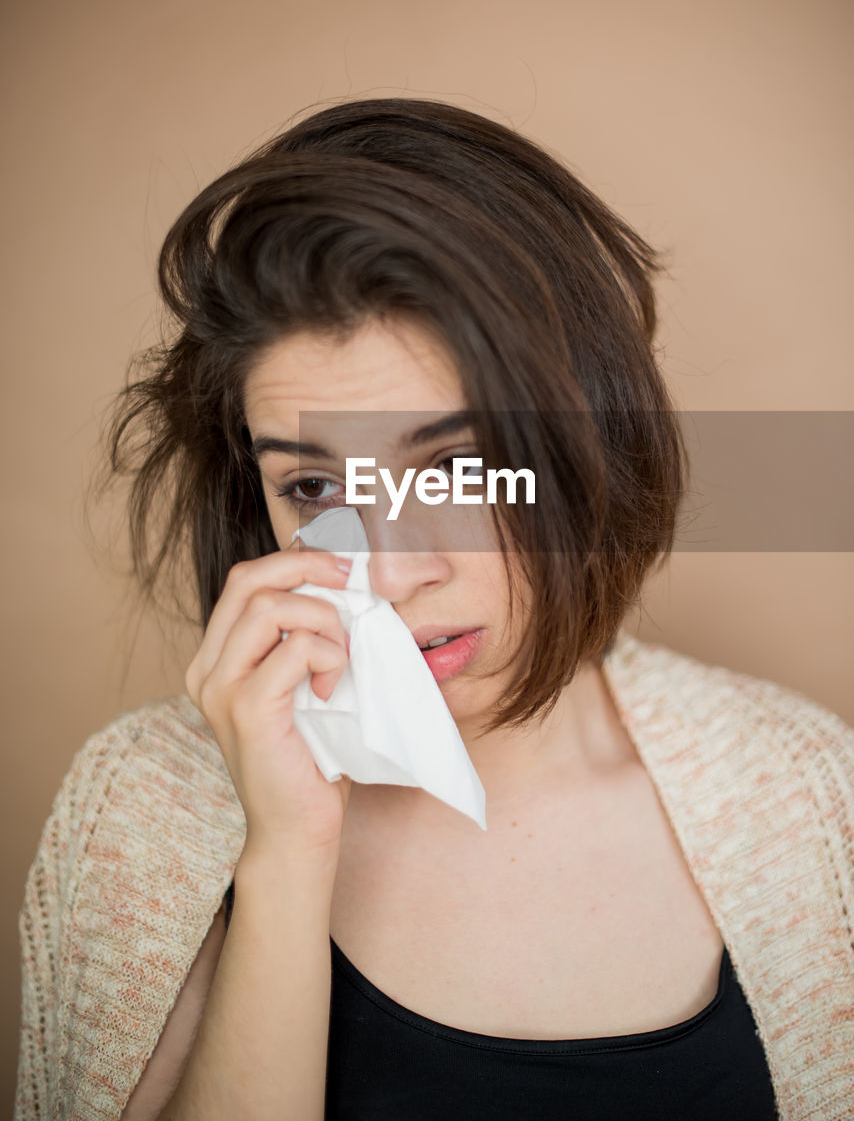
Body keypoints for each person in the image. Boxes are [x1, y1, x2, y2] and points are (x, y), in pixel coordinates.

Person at [14, 98, 853, 1121]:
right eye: (314, 490)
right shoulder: (147, 805)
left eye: (454, 468)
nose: (393, 572)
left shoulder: (806, 795)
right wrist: (284, 857)